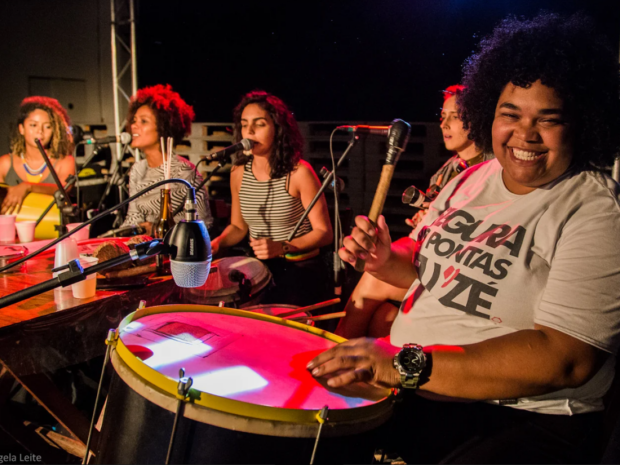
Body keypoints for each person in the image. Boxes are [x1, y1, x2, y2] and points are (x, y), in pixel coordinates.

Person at [309, 13, 620, 464]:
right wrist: (384, 259)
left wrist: (401, 364)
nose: (524, 135)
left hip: (519, 417)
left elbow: (565, 358)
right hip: (423, 391)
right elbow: (421, 268)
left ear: (583, 123)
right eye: (509, 114)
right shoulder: (472, 178)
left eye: (547, 120)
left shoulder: (596, 209)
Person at [336, 84, 492, 339]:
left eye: (456, 116)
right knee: (382, 318)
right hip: (431, 261)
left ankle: (335, 352)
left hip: (462, 268)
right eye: (443, 117)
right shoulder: (446, 170)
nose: (444, 124)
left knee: (372, 282)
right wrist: (426, 219)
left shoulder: (494, 168)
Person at [211, 90, 333, 306]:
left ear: (278, 129)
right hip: (259, 268)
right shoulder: (238, 172)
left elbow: (324, 233)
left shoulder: (299, 173)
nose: (249, 130)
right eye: (244, 123)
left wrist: (283, 246)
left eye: (259, 124)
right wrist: (217, 243)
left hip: (300, 268)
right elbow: (239, 227)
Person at [121, 84, 212, 234]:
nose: (133, 126)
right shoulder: (138, 169)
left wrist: (158, 229)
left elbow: (204, 225)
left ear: (164, 126)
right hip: (146, 249)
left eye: (143, 121)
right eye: (134, 120)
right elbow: (133, 217)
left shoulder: (185, 172)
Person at [0, 96, 75, 214]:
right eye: (33, 125)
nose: (40, 131)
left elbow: (63, 189)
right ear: (21, 129)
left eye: (47, 126)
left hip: (53, 230)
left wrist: (27, 187)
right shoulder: (5, 163)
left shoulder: (65, 162)